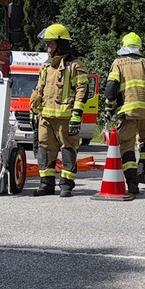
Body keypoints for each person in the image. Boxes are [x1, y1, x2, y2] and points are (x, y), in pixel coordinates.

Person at [28, 23, 88, 197]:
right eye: (47, 44)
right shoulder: (46, 67)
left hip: (66, 118)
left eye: (50, 44)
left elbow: (82, 91)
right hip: (45, 117)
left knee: (68, 149)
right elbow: (39, 89)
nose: (47, 48)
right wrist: (34, 110)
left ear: (60, 44)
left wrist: (77, 115)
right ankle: (46, 184)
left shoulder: (75, 66)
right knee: (44, 150)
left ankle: (66, 185)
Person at [104, 32, 145, 196]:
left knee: (127, 147)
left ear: (124, 46)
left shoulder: (118, 63)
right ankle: (142, 170)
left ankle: (132, 183)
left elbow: (111, 88)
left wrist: (109, 107)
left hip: (127, 113)